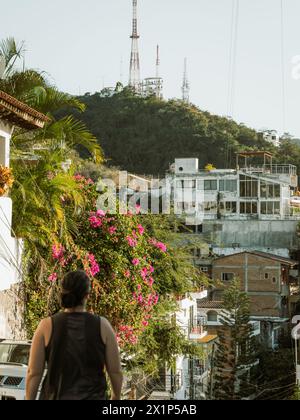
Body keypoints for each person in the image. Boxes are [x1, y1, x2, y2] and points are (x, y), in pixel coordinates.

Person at [26, 270, 123, 400]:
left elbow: (34, 373)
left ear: (62, 292)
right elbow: (115, 371)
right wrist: (115, 397)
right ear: (87, 295)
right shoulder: (103, 326)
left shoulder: (46, 326)